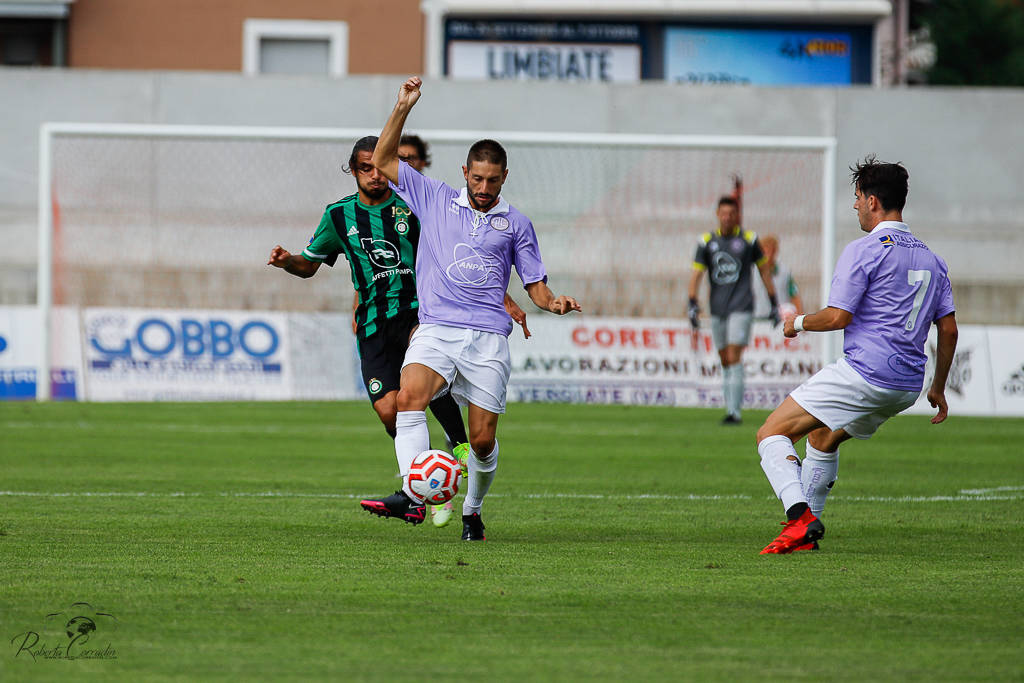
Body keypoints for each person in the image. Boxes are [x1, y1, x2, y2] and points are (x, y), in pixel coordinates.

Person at [359, 76, 581, 541]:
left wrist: (553, 303)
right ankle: (412, 493)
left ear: (504, 177)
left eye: (492, 180)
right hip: (437, 327)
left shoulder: (517, 223)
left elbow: (536, 287)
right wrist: (403, 107)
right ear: (464, 172)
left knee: (481, 441)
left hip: (486, 338)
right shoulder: (434, 197)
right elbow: (382, 159)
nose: (483, 186)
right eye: (476, 178)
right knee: (408, 399)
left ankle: (473, 511)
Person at [268, 136, 527, 528]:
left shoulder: (414, 206)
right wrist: (289, 262)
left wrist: (501, 298)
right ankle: (430, 482)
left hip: (420, 313)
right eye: (365, 168)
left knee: (416, 389)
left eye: (380, 166)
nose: (375, 175)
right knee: (390, 411)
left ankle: (452, 454)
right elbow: (310, 265)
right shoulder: (338, 216)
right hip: (372, 322)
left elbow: (462, 255)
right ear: (353, 171)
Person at [754, 156, 957, 554]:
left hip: (866, 373)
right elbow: (947, 329)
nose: (855, 205)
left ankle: (799, 518)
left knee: (771, 434)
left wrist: (796, 323)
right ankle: (805, 537)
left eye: (858, 197)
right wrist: (938, 388)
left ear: (874, 202)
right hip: (906, 385)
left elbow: (838, 316)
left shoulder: (865, 249)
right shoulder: (932, 258)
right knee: (823, 436)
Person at [688, 196, 780, 425]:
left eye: (731, 214)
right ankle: (729, 407)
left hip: (742, 307)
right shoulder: (706, 242)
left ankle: (734, 412)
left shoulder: (749, 240)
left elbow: (764, 271)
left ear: (737, 216)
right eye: (723, 213)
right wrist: (692, 302)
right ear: (717, 215)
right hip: (717, 309)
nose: (727, 218)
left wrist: (773, 301)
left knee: (733, 355)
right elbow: (696, 275)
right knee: (724, 358)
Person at [752, 234, 804, 320]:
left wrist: (800, 317)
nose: (768, 255)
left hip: (779, 320)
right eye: (765, 251)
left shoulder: (784, 272)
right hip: (758, 319)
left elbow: (794, 295)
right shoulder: (752, 272)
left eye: (771, 251)